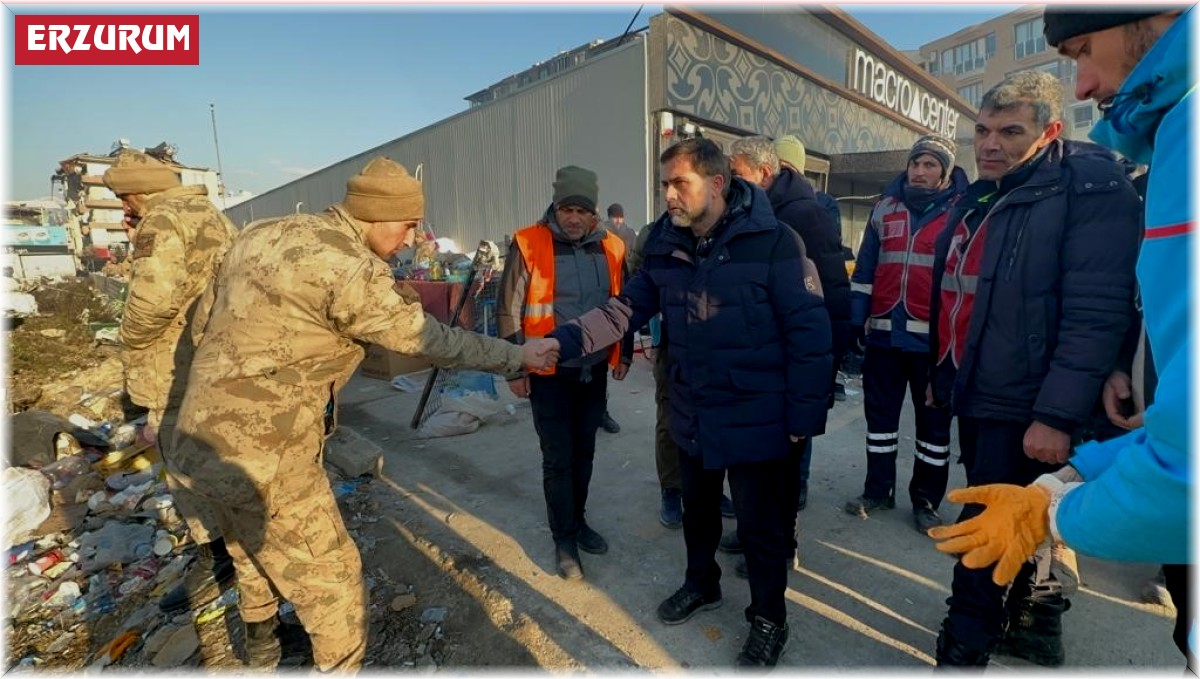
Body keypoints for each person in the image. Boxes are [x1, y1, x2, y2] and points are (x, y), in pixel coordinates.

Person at [170, 157, 559, 671]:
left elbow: (202, 324)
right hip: (268, 453)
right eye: (406, 224)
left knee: (248, 543)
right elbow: (430, 340)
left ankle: (262, 647)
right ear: (377, 216)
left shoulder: (262, 233)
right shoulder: (350, 269)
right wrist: (518, 355)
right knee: (336, 588)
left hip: (198, 438)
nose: (410, 237)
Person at [931, 8, 1193, 670]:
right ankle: (1023, 621)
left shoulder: (1092, 183)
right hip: (981, 389)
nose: (988, 144)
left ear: (1049, 132)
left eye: (1008, 131)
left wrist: (1055, 413)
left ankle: (965, 642)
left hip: (1031, 401)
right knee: (1008, 520)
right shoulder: (985, 195)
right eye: (982, 131)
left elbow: (1098, 307)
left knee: (991, 528)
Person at [547, 138, 832, 666]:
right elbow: (622, 311)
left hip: (757, 414)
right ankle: (702, 583)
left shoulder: (775, 242)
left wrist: (803, 419)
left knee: (759, 527)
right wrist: (560, 343)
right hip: (693, 406)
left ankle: (769, 618)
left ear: (717, 184)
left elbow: (810, 334)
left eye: (680, 183)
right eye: (665, 185)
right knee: (698, 510)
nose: (670, 196)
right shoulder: (664, 244)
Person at [102, 150, 241, 616]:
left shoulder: (162, 222)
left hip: (175, 366)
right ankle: (235, 546)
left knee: (183, 462)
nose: (125, 208)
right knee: (221, 454)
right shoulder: (212, 216)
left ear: (136, 191)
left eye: (124, 198)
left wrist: (126, 340)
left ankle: (215, 555)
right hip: (219, 357)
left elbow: (151, 303)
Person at [497, 166, 631, 582]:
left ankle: (579, 520)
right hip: (548, 373)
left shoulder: (612, 247)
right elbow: (508, 310)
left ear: (594, 213)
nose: (572, 218)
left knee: (585, 452)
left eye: (581, 210)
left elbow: (623, 304)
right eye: (565, 208)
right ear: (555, 207)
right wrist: (515, 368)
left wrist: (622, 353)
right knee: (558, 459)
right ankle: (564, 538)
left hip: (592, 373)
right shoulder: (529, 243)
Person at [843, 135, 968, 534]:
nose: (920, 171)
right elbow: (864, 272)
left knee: (933, 430)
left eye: (930, 164)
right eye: (916, 163)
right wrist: (857, 319)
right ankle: (878, 490)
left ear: (945, 172)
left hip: (933, 344)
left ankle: (926, 501)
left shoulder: (961, 214)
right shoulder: (884, 209)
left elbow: (962, 284)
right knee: (879, 421)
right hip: (883, 336)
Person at [770, 134, 851, 494]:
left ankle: (796, 485)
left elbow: (833, 286)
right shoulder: (764, 208)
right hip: (775, 333)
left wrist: (832, 352)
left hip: (804, 329)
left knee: (800, 408)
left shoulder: (812, 211)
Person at [629, 223, 683, 529]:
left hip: (712, 348)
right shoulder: (654, 234)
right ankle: (672, 489)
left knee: (708, 421)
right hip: (671, 343)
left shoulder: (722, 226)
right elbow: (636, 281)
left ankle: (708, 487)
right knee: (669, 421)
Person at [598, 202, 637, 434]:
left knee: (598, 372)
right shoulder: (606, 235)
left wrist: (626, 355)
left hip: (610, 305)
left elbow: (626, 303)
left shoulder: (621, 238)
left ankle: (600, 412)